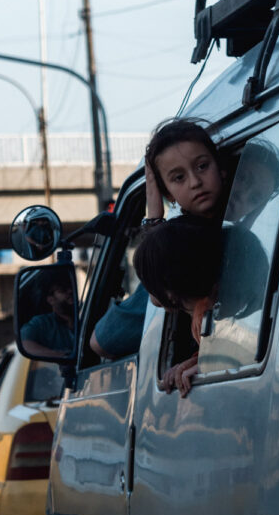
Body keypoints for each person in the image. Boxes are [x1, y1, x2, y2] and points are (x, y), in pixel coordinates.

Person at [89, 118, 229, 365]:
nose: (195, 182)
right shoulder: (184, 236)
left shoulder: (239, 222)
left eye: (202, 166)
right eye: (178, 178)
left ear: (220, 167)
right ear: (166, 193)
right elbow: (157, 295)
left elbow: (104, 340)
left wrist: (153, 218)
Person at [132, 214, 224, 396]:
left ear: (169, 292)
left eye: (148, 284)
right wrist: (195, 361)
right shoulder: (210, 307)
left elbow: (231, 355)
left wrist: (205, 365)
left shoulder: (205, 316)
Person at [20, 269, 76, 358]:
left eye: (71, 287)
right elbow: (25, 345)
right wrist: (64, 356)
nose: (70, 291)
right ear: (51, 300)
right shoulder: (41, 323)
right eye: (62, 289)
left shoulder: (85, 316)